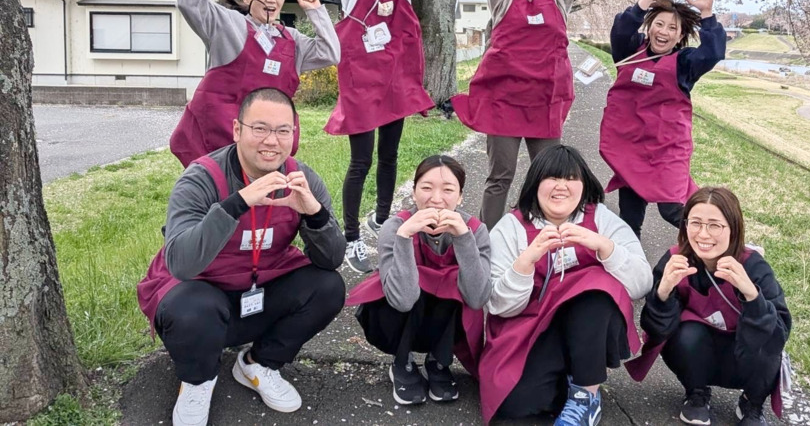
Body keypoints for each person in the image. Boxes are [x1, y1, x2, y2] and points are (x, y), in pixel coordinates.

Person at [138, 88, 346, 426]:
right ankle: (198, 381)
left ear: (294, 134)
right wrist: (236, 203)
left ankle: (257, 363)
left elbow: (332, 259)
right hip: (205, 295)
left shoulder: (301, 178)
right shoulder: (201, 178)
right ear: (237, 130)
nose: (271, 141)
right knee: (191, 308)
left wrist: (315, 215)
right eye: (259, 128)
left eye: (282, 131)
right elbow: (181, 263)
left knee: (328, 286)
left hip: (259, 289)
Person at [451, 0, 607, 230]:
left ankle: (548, 238)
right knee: (499, 176)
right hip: (504, 101)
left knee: (551, 177)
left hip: (544, 102)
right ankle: (487, 241)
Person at [326, 0, 447, 273]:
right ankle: (351, 237)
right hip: (360, 84)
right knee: (361, 160)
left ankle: (380, 217)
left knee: (391, 156)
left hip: (394, 83)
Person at [480, 145, 652, 426]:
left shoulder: (602, 220)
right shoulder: (510, 228)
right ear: (535, 184)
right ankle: (566, 379)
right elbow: (499, 306)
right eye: (552, 178)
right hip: (531, 329)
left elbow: (642, 283)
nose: (561, 187)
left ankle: (587, 393)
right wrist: (526, 261)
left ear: (584, 185)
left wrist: (604, 247)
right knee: (515, 407)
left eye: (571, 178)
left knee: (596, 288)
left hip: (589, 328)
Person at [170, 0, 340, 167]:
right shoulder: (229, 25)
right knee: (218, 198)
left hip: (267, 143)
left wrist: (316, 13)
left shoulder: (291, 38)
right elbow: (188, 2)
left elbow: (330, 53)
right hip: (219, 140)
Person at [626, 187, 790, 426]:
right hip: (700, 352)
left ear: (733, 228)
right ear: (685, 225)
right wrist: (662, 292)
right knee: (682, 333)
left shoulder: (753, 266)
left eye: (715, 225)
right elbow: (655, 330)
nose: (703, 234)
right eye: (695, 223)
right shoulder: (675, 260)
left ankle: (752, 403)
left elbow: (779, 333)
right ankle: (696, 393)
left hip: (746, 358)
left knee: (766, 334)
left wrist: (751, 294)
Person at [345, 155, 491, 405]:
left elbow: (477, 298)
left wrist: (463, 238)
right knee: (407, 283)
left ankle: (438, 361)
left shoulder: (475, 230)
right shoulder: (394, 226)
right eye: (426, 188)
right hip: (400, 314)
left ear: (460, 197)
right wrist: (404, 236)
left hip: (446, 321)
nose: (436, 199)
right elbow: (402, 299)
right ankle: (403, 362)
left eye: (448, 190)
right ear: (413, 193)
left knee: (452, 282)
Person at [599, 0, 725, 239]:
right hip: (631, 149)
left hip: (666, 150)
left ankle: (716, 243)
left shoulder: (685, 63)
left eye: (672, 28)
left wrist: (707, 13)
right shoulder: (630, 52)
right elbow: (621, 29)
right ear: (650, 26)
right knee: (629, 219)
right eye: (659, 24)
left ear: (680, 37)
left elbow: (713, 52)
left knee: (673, 209)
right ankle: (628, 269)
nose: (664, 32)